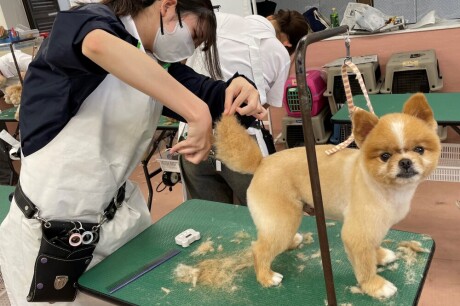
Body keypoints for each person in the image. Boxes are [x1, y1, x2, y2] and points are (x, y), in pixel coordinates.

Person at [0, 0, 265, 305]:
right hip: (56, 243)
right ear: (167, 6)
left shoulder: (153, 63)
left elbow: (213, 97)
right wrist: (197, 113)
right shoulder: (83, 23)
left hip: (120, 227)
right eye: (193, 36)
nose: (190, 49)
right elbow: (98, 44)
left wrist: (243, 89)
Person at [180, 10, 309, 205]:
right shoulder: (279, 52)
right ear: (289, 43)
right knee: (262, 216)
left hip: (193, 137)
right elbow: (260, 106)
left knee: (208, 217)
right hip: (240, 142)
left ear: (270, 18)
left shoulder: (218, 19)